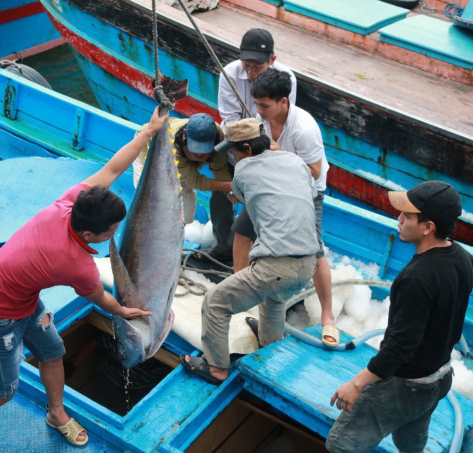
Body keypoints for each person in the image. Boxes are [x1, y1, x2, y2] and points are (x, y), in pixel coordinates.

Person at [0, 107, 167, 453]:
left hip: (22, 299)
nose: (115, 233)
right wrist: (125, 312)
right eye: (111, 231)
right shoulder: (75, 263)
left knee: (53, 352)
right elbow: (102, 300)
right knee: (3, 391)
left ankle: (56, 412)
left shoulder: (69, 203)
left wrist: (148, 132)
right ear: (87, 233)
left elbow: (112, 168)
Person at [326, 181, 473, 453]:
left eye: (407, 216)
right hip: (438, 377)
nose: (399, 219)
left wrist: (356, 384)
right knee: (411, 442)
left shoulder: (416, 279)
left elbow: (400, 347)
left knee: (340, 445)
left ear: (428, 227)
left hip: (405, 386)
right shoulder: (464, 258)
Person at [180, 118, 318, 384]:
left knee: (216, 303)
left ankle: (217, 368)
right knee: (274, 299)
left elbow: (238, 196)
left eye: (234, 151)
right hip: (308, 264)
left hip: (277, 266)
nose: (232, 156)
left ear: (246, 147)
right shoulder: (296, 162)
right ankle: (270, 342)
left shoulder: (243, 169)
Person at [242, 67, 338, 347]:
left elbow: (316, 171)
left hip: (308, 191)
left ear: (283, 102)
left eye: (264, 105)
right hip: (275, 184)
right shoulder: (264, 118)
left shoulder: (304, 129)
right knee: (243, 229)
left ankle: (328, 317)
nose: (258, 111)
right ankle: (245, 292)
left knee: (315, 248)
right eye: (257, 104)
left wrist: (277, 154)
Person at [133, 113, 233, 260]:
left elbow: (220, 170)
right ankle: (151, 242)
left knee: (188, 198)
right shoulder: (172, 142)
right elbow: (195, 181)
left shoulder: (217, 135)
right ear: (185, 137)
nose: (200, 155)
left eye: (204, 151)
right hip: (151, 154)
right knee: (154, 204)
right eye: (195, 150)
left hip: (184, 162)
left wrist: (230, 191)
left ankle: (179, 234)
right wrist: (232, 185)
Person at [218, 28, 297, 170]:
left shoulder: (287, 78)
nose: (250, 72)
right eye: (246, 65)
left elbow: (281, 120)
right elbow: (231, 119)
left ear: (272, 60)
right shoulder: (229, 74)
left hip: (268, 155)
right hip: (237, 150)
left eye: (257, 67)